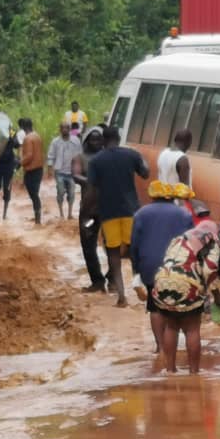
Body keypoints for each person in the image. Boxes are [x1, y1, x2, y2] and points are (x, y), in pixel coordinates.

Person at [85, 125, 150, 306]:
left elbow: (91, 192)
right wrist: (143, 160)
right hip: (131, 211)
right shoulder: (131, 155)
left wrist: (88, 214)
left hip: (108, 213)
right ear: (119, 138)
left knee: (113, 254)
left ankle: (121, 296)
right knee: (134, 251)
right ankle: (138, 282)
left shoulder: (96, 161)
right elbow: (145, 173)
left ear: (104, 141)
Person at [152, 219, 220, 374]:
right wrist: (218, 297)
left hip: (162, 282)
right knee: (192, 329)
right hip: (186, 283)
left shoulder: (179, 239)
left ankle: (170, 371)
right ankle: (194, 373)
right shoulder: (211, 241)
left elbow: (168, 260)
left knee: (171, 326)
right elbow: (209, 271)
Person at [130, 181, 193, 352]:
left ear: (152, 195)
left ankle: (160, 347)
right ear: (172, 196)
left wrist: (136, 270)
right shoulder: (185, 214)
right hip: (178, 266)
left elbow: (134, 245)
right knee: (177, 306)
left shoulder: (141, 214)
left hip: (151, 267)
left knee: (155, 306)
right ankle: (175, 344)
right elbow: (192, 243)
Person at [72, 126, 106, 292]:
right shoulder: (80, 157)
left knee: (112, 243)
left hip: (108, 208)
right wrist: (91, 181)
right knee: (88, 244)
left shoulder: (108, 157)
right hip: (89, 209)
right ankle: (97, 280)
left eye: (99, 139)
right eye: (93, 139)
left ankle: (113, 278)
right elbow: (75, 175)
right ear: (86, 141)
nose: (96, 142)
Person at [47, 123, 82, 220]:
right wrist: (50, 168)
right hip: (60, 172)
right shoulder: (55, 142)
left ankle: (70, 214)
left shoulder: (76, 141)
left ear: (70, 129)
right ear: (60, 129)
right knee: (60, 192)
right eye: (63, 128)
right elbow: (51, 155)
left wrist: (80, 169)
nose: (65, 130)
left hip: (71, 173)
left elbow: (80, 155)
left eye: (67, 128)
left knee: (71, 193)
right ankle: (61, 213)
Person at [19, 118, 44, 224]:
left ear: (22, 127)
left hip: (31, 170)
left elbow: (29, 155)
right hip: (39, 169)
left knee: (33, 194)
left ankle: (38, 218)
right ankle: (37, 216)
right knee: (35, 194)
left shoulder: (27, 139)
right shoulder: (37, 136)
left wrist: (19, 163)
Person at [0, 127, 17, 221]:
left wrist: (11, 135)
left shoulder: (12, 131)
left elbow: (17, 144)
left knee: (7, 189)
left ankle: (4, 215)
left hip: (9, 165)